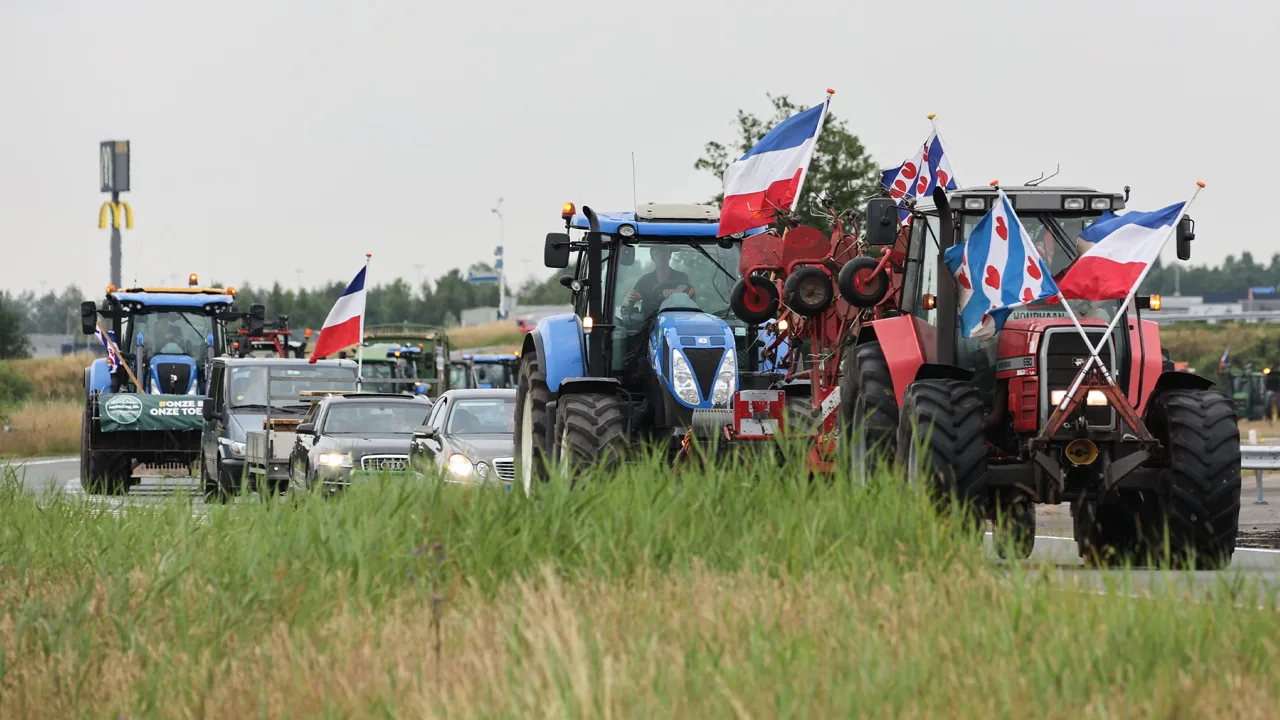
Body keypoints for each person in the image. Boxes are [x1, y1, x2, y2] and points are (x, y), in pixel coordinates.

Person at [622, 246, 696, 317]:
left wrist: (678, 291)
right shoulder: (644, 281)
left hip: (677, 320)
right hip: (649, 322)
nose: (662, 257)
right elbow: (629, 306)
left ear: (670, 256)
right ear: (652, 258)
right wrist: (627, 303)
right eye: (657, 253)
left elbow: (686, 289)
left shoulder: (681, 277)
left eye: (665, 253)